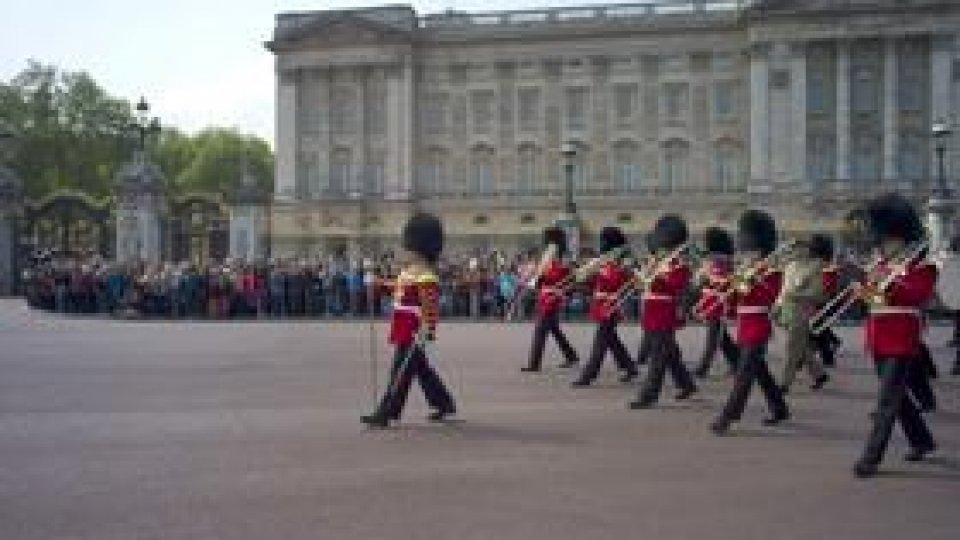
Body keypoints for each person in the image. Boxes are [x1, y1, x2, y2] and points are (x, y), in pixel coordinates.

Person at [853, 193, 937, 478]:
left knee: (886, 401)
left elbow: (918, 295)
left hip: (902, 337)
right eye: (882, 241)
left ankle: (870, 458)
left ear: (902, 238)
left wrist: (892, 282)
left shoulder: (922, 266)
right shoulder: (880, 266)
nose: (883, 246)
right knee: (897, 399)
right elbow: (876, 302)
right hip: (878, 336)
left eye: (888, 241)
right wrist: (865, 293)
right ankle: (922, 441)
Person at [361, 212, 456, 428]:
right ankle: (444, 403)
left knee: (400, 372)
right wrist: (377, 283)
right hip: (403, 327)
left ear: (418, 248)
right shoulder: (409, 272)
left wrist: (427, 331)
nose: (405, 250)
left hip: (414, 331)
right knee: (422, 370)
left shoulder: (426, 275)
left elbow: (430, 307)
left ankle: (386, 413)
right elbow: (398, 289)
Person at [710, 210, 790, 435]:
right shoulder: (745, 270)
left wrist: (751, 282)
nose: (747, 255)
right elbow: (734, 300)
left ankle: (728, 416)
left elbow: (770, 296)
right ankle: (779, 408)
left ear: (761, 250)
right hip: (744, 325)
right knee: (760, 372)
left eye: (751, 251)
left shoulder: (771, 271)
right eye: (746, 250)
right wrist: (726, 286)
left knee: (744, 374)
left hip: (758, 325)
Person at [630, 214, 697, 408]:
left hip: (664, 313)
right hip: (651, 312)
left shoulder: (679, 266)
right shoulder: (655, 264)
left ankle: (648, 395)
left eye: (664, 248)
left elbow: (678, 286)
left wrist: (659, 276)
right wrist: (643, 277)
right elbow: (643, 286)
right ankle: (687, 384)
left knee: (658, 356)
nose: (660, 251)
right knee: (669, 353)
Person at [572, 226, 638, 387]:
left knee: (600, 342)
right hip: (600, 304)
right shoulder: (602, 262)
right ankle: (630, 367)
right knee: (612, 340)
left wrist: (599, 271)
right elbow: (591, 284)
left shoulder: (623, 263)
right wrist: (584, 275)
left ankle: (588, 375)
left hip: (611, 306)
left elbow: (619, 282)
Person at [522, 226, 580, 372]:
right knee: (554, 330)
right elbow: (541, 281)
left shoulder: (563, 261)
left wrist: (544, 276)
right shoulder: (548, 260)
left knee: (540, 330)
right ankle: (571, 356)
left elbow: (567, 280)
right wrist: (536, 276)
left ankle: (534, 364)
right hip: (545, 297)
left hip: (553, 299)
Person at [776, 236, 830, 394]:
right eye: (794, 248)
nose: (795, 251)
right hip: (786, 311)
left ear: (807, 250)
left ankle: (784, 384)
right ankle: (819, 374)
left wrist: (797, 296)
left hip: (802, 311)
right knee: (801, 346)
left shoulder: (815, 267)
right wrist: (777, 305)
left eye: (799, 248)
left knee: (791, 349)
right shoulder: (790, 266)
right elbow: (783, 290)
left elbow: (818, 294)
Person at [693, 227, 739, 378]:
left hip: (718, 301)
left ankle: (702, 368)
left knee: (713, 338)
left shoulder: (722, 260)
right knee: (722, 337)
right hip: (710, 299)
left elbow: (725, 280)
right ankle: (737, 362)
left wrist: (707, 277)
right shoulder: (713, 258)